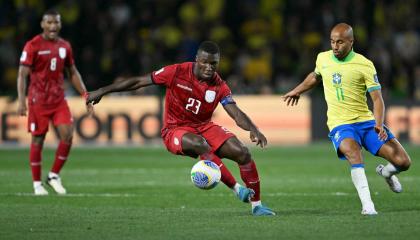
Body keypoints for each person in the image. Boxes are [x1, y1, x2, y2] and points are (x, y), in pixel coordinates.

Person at [87, 41, 275, 216]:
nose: (209, 67)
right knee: (201, 144)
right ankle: (237, 189)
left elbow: (235, 112)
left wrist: (253, 128)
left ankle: (257, 206)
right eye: (205, 62)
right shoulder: (176, 72)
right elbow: (138, 82)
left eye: (214, 64)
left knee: (242, 153)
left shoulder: (219, 85)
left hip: (204, 126)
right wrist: (103, 90)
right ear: (197, 60)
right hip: (174, 130)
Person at [282, 23, 411, 215]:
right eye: (332, 41)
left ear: (351, 42)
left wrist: (378, 124)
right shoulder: (323, 58)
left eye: (340, 42)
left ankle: (386, 172)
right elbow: (315, 76)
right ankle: (368, 206)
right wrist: (297, 91)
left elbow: (377, 99)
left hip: (367, 123)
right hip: (340, 124)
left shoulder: (364, 64)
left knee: (403, 162)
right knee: (353, 152)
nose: (335, 46)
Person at [17, 10, 93, 195]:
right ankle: (37, 184)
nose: (53, 26)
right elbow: (22, 74)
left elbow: (72, 72)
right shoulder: (32, 45)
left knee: (67, 135)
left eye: (56, 22)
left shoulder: (64, 46)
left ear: (60, 24)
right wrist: (22, 100)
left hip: (58, 99)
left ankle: (53, 176)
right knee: (38, 139)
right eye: (49, 22)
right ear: (42, 24)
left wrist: (86, 95)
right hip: (38, 101)